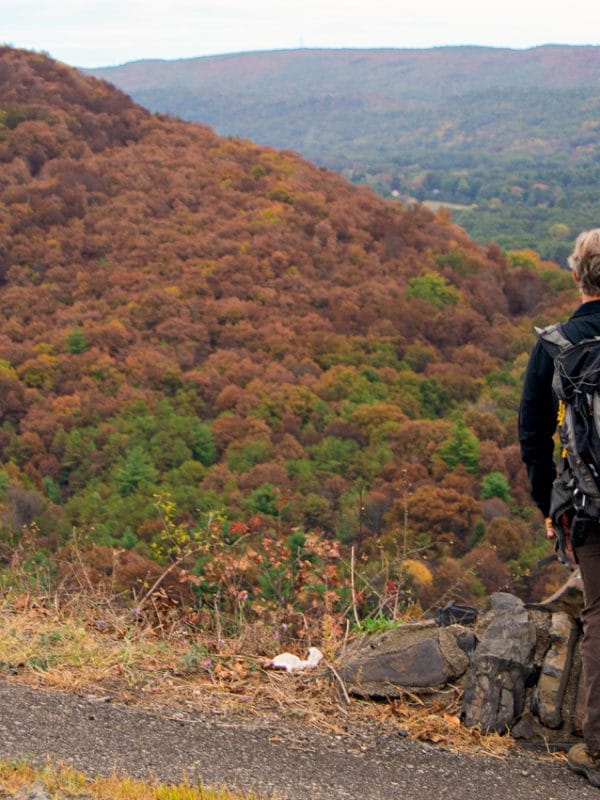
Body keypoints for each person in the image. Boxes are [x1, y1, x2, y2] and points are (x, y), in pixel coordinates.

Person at [519, 228, 600, 787]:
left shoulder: (557, 345)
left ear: (576, 275)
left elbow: (532, 436)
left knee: (599, 616)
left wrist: (552, 504)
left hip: (590, 504)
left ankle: (596, 749)